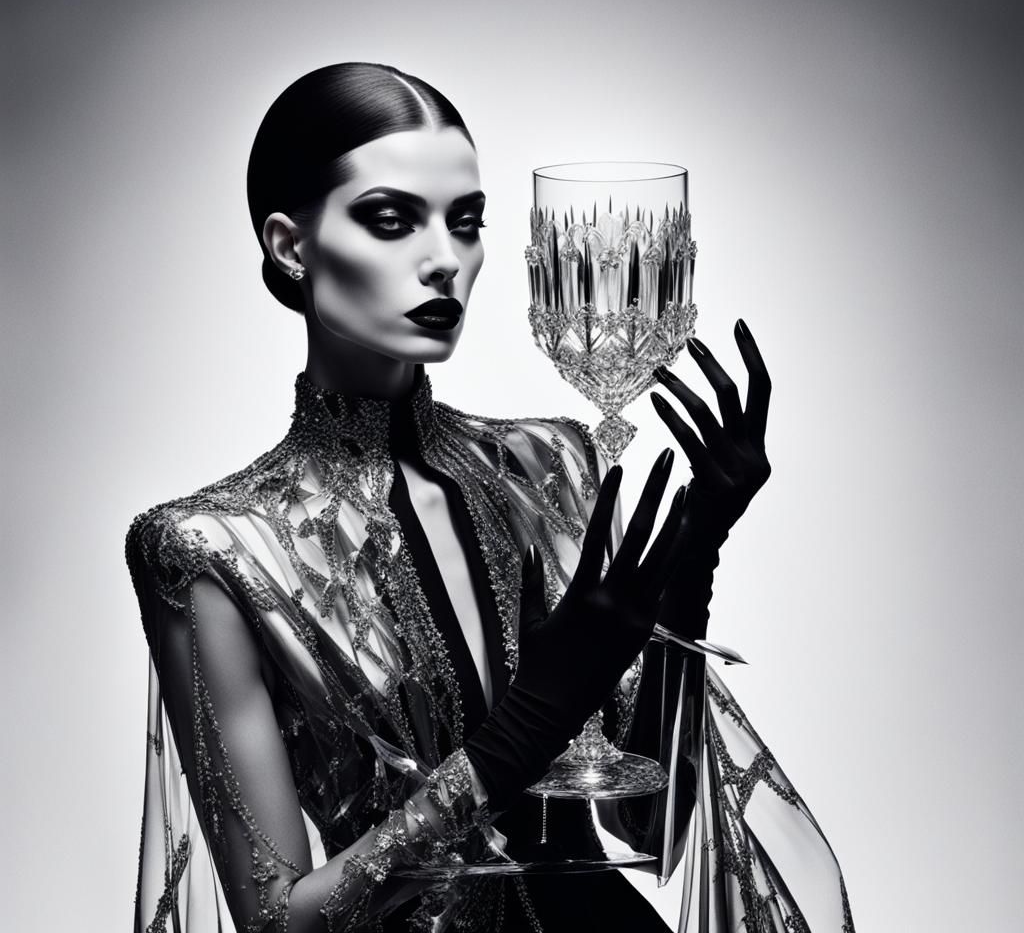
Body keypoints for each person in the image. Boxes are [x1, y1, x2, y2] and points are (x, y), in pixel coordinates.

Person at [126, 63, 854, 933]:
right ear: (290, 247)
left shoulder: (548, 463)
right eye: (391, 219)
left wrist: (695, 555)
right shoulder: (211, 550)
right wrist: (522, 732)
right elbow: (277, 923)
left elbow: (650, 827)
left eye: (465, 222)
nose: (445, 259)